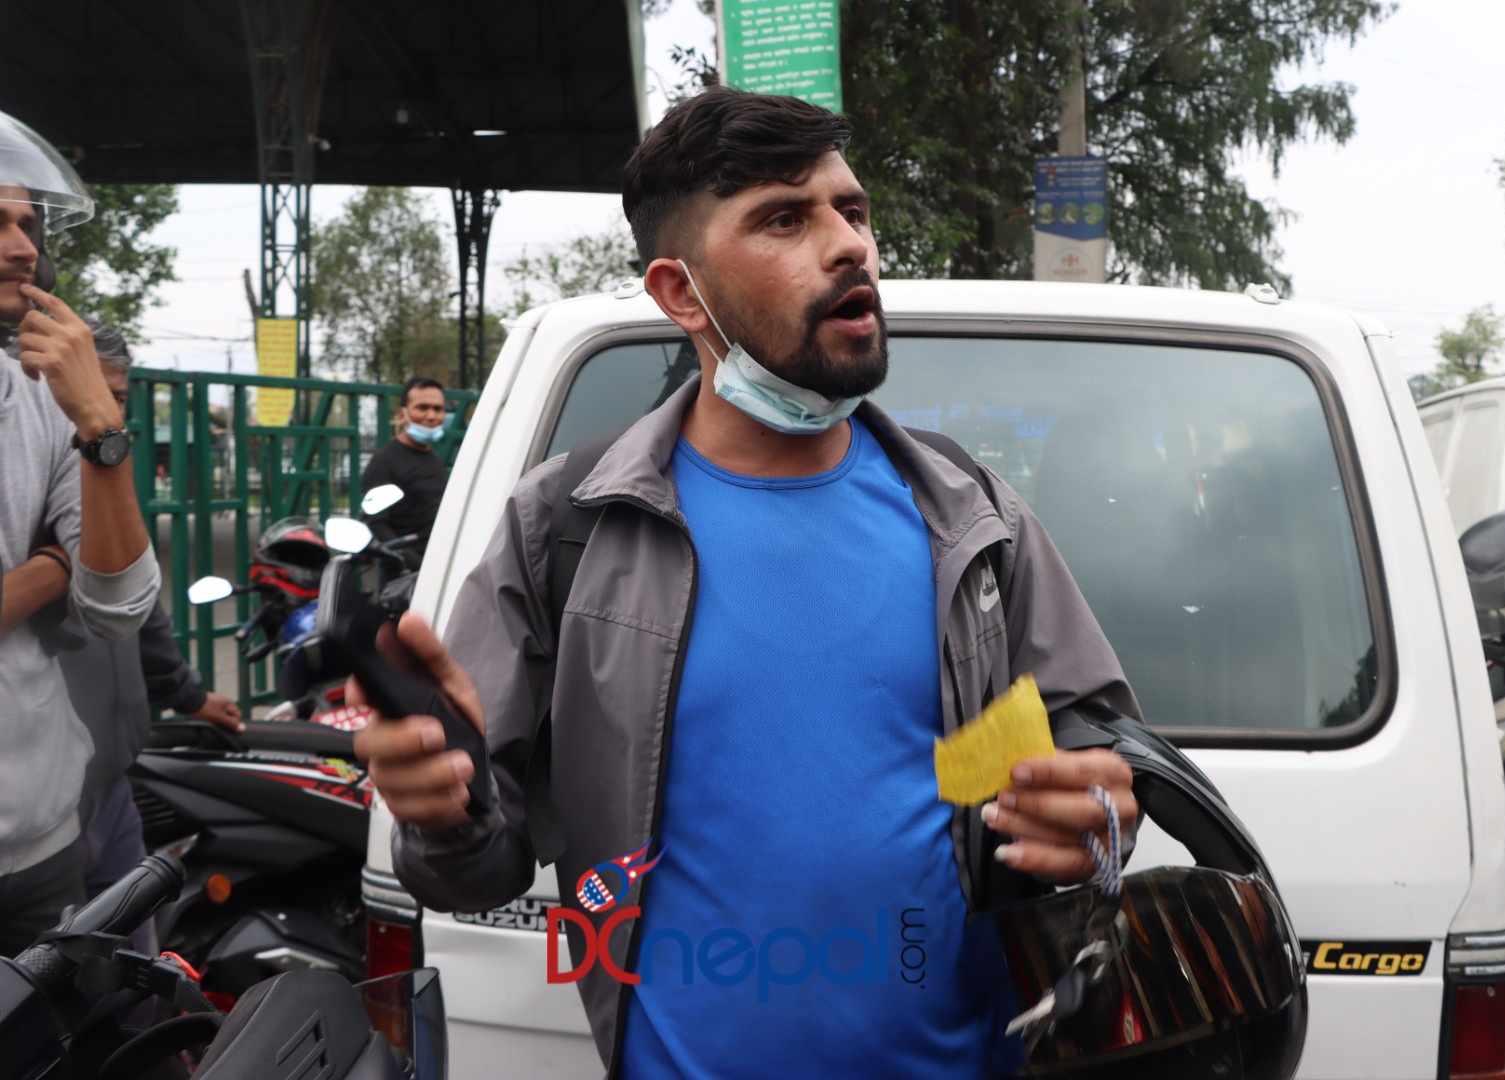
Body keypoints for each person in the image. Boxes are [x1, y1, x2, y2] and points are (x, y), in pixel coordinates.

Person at [355, 87, 1141, 1077]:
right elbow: (476, 865)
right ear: (681, 294)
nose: (848, 245)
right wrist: (444, 813)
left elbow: (1096, 752)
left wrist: (1102, 812)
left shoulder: (969, 517)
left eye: (851, 210)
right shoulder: (566, 529)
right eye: (784, 219)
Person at [0, 111, 160, 955]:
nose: (22, 249)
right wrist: (40, 572)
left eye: (28, 225)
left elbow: (121, 601)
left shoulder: (39, 399)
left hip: (40, 844)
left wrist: (99, 424)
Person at [49, 319, 243, 930]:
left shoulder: (104, 468)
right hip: (41, 802)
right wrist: (50, 570)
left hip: (112, 784)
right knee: (55, 969)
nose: (105, 414)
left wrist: (190, 694)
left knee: (132, 963)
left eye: (117, 399)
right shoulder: (26, 474)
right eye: (91, 394)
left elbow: (139, 603)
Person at [359, 375, 450, 566]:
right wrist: (414, 564)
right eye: (422, 408)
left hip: (442, 566)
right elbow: (376, 524)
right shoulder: (384, 462)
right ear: (402, 414)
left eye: (438, 409)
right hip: (406, 575)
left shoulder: (435, 460)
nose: (431, 416)